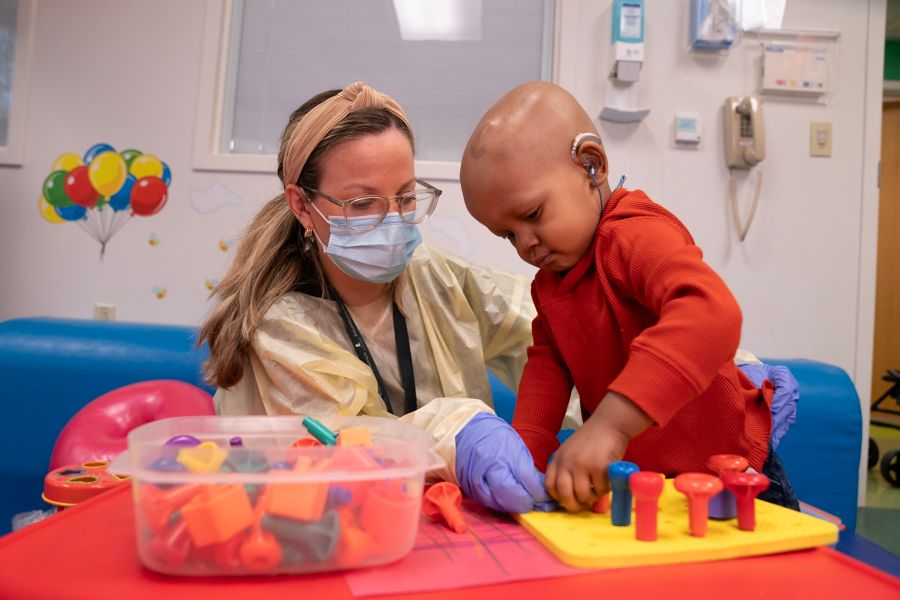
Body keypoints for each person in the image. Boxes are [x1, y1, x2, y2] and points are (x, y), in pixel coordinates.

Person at [198, 81, 553, 514]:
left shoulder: (433, 276)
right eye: (362, 203)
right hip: (305, 523)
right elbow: (344, 447)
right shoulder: (279, 323)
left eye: (405, 197)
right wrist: (459, 431)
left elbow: (547, 328)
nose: (392, 221)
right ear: (302, 206)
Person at [460, 81, 799, 513]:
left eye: (532, 215)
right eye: (508, 234)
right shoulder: (550, 284)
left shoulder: (632, 234)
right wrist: (522, 458)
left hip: (733, 478)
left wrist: (609, 427)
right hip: (652, 486)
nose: (526, 244)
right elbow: (548, 367)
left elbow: (711, 314)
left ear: (591, 165)